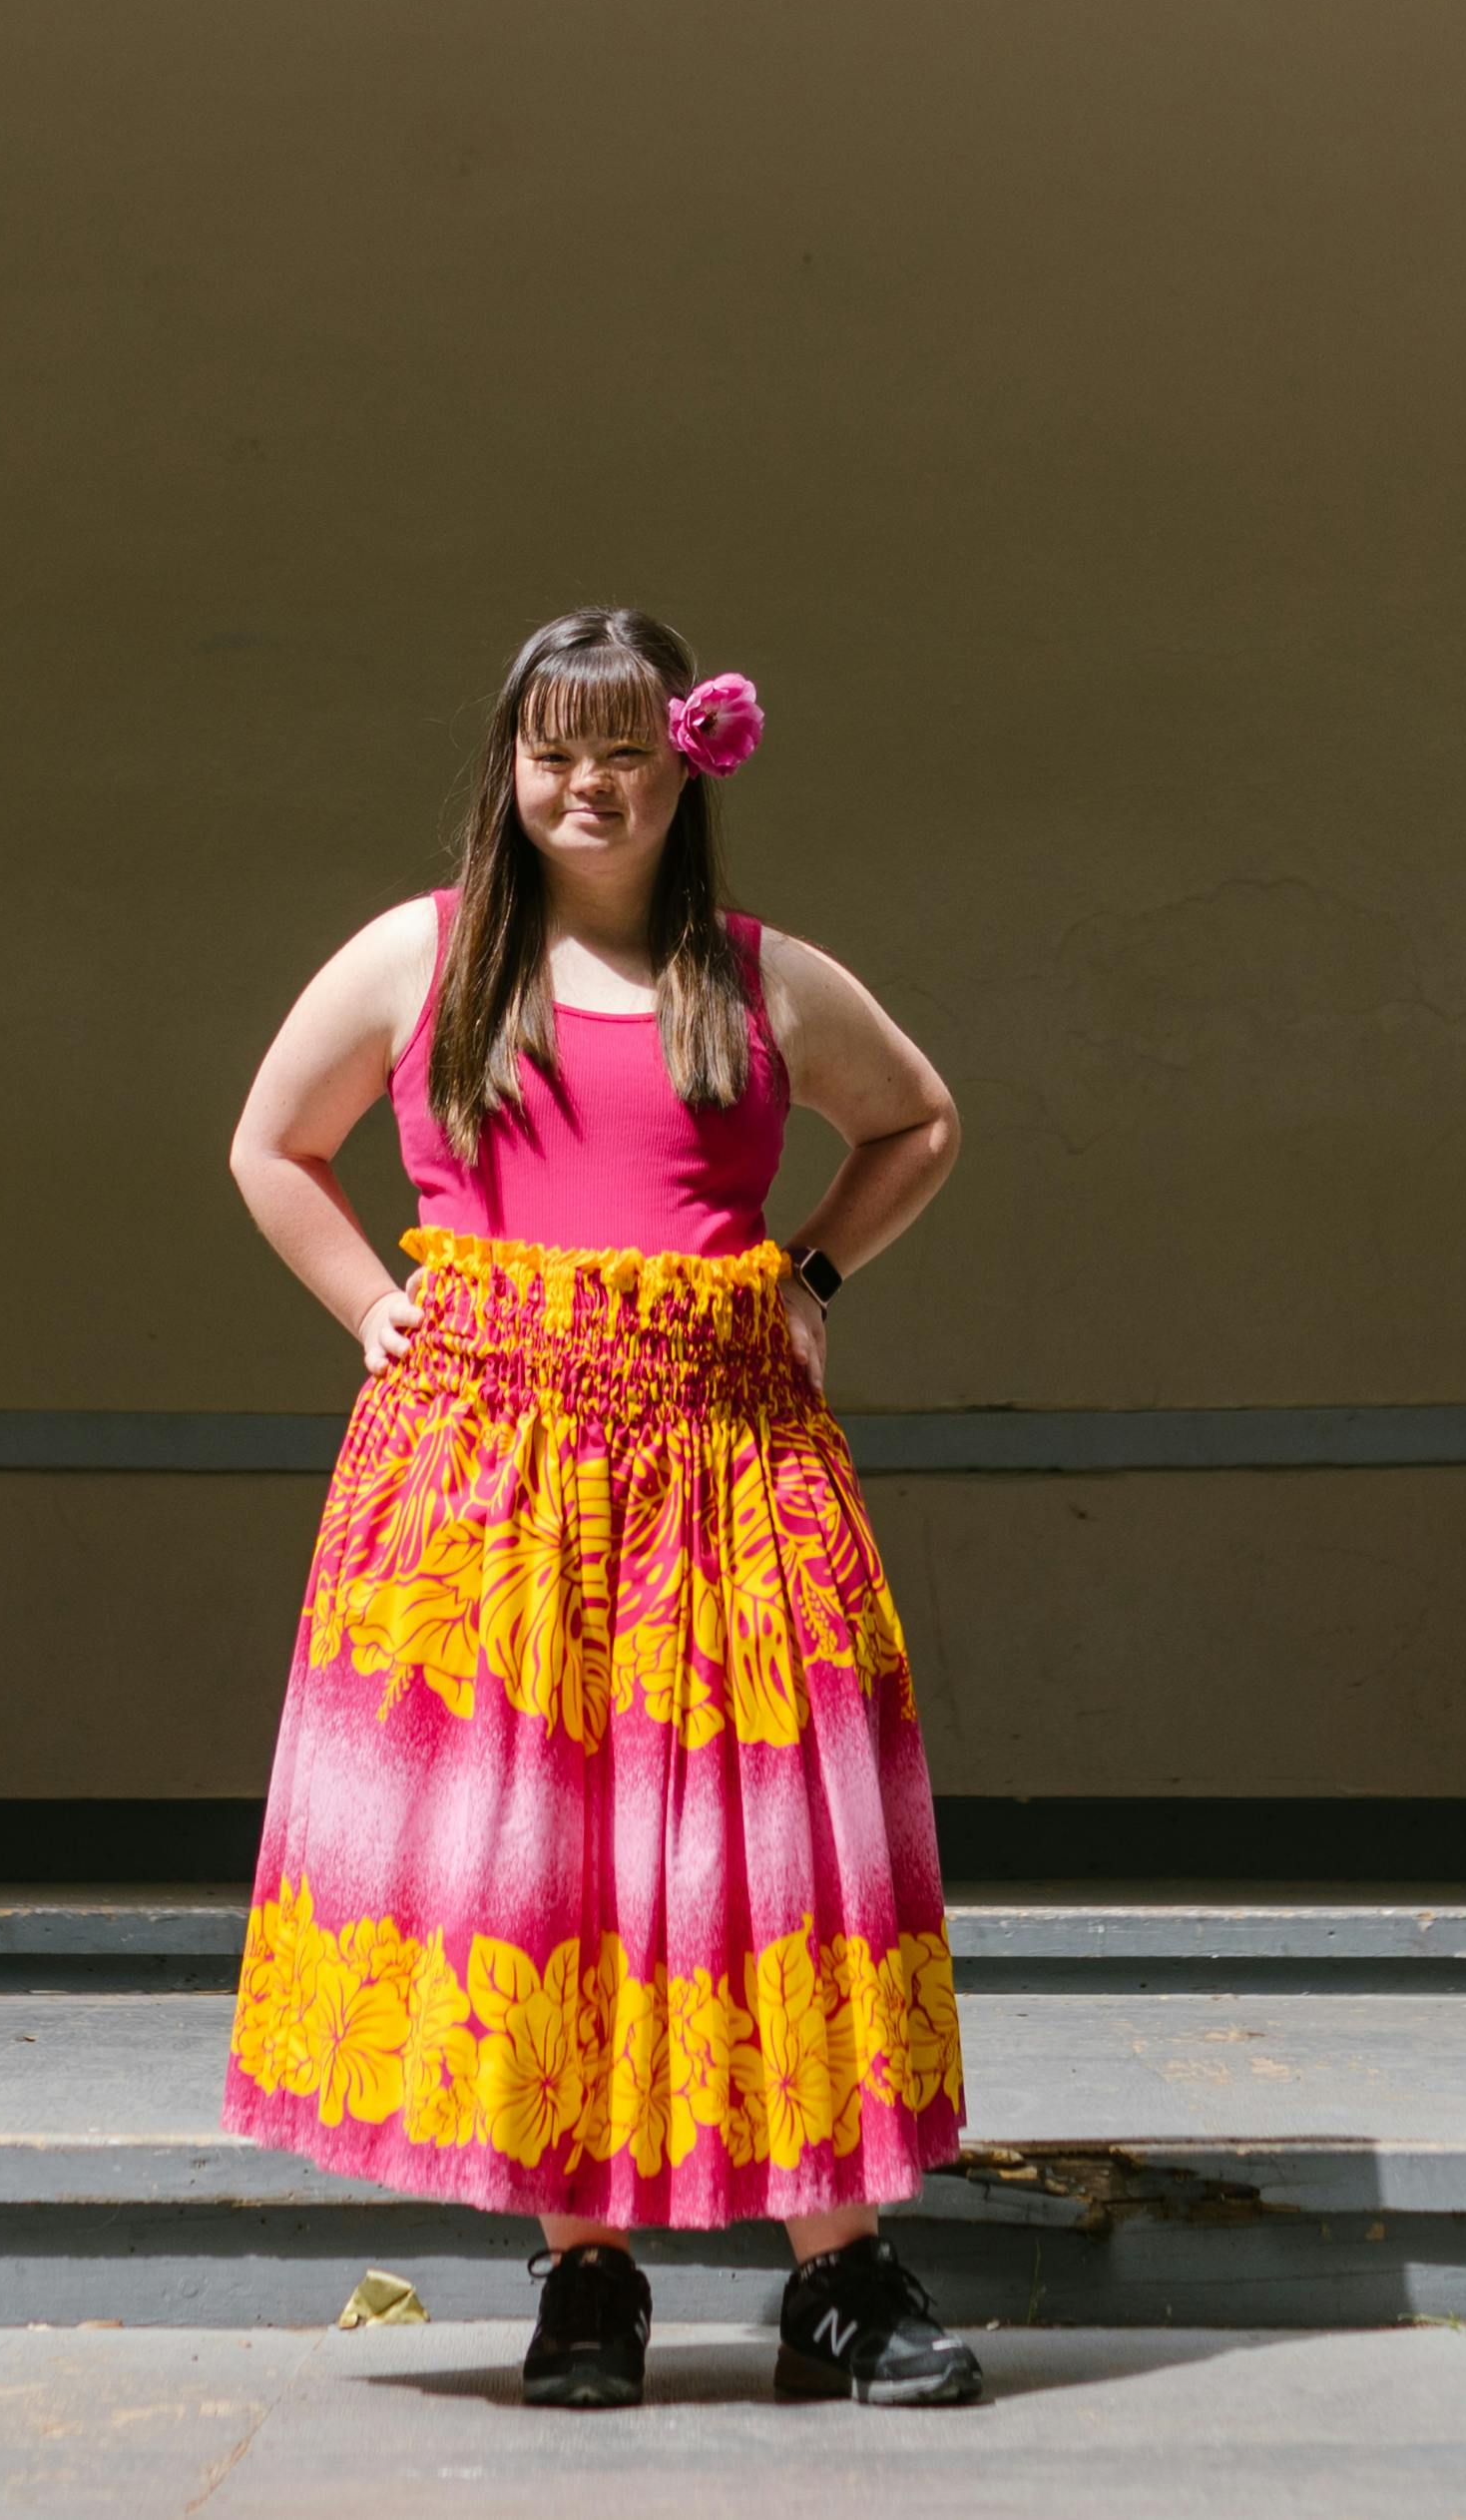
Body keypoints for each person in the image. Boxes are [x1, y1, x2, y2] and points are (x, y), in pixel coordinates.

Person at [218, 607, 986, 2410]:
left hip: (728, 1464)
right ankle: (585, 2278)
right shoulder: (417, 964)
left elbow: (921, 1121)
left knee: (770, 1849)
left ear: (685, 768)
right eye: (554, 749)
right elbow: (270, 1144)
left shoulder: (763, 978)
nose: (588, 781)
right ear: (507, 768)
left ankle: (840, 2271)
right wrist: (367, 1306)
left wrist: (811, 1276)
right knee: (539, 1859)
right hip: (485, 1478)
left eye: (625, 749)